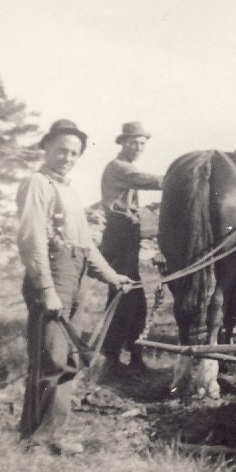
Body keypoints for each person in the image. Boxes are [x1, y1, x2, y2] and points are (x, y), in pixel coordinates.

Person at [17, 119, 132, 454]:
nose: (67, 157)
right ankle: (36, 441)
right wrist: (46, 290)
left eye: (74, 153)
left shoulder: (68, 189)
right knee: (49, 359)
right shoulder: (36, 184)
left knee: (70, 359)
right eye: (61, 150)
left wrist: (112, 276)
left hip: (75, 276)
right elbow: (31, 240)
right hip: (52, 278)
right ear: (46, 148)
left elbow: (85, 245)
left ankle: (52, 435)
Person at [97, 121, 162, 374]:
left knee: (134, 297)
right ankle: (112, 358)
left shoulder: (126, 168)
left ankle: (134, 356)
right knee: (123, 295)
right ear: (123, 143)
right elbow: (148, 181)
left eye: (142, 143)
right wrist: (183, 177)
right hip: (119, 235)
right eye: (133, 142)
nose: (138, 147)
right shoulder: (119, 168)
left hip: (128, 235)